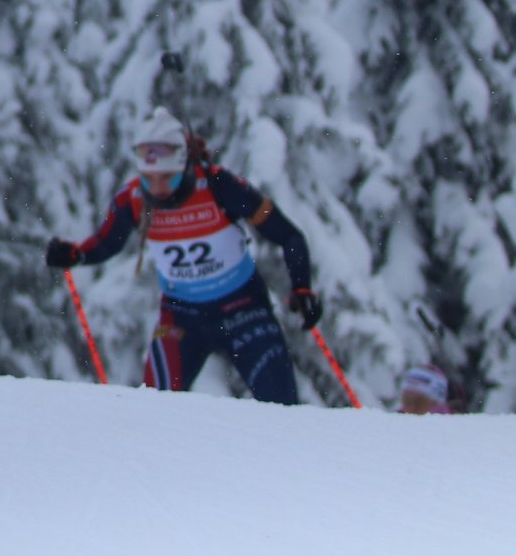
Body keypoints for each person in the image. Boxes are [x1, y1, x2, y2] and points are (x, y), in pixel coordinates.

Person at [47, 107, 321, 406]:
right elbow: (106, 243)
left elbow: (288, 234)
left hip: (243, 307)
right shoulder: (133, 198)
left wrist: (302, 287)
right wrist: (76, 254)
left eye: (169, 179)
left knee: (281, 408)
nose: (160, 189)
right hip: (182, 316)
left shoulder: (219, 185)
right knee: (154, 407)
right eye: (150, 180)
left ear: (185, 167)